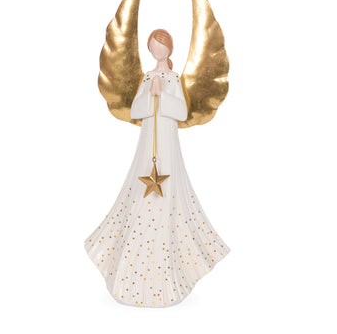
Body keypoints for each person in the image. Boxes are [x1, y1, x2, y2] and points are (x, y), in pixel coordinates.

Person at [85, 29, 230, 307]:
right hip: (148, 141)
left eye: (160, 46)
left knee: (169, 184)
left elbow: (182, 112)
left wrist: (162, 96)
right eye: (152, 47)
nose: (156, 51)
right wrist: (149, 95)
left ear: (168, 49)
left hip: (167, 140)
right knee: (141, 188)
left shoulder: (173, 79)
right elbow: (136, 111)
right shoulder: (147, 77)